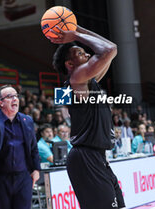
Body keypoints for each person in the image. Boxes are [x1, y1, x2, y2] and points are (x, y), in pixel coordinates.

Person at [51, 25, 125, 208]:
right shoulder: (77, 79)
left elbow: (112, 47)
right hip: (85, 157)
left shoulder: (87, 81)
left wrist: (76, 28)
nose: (87, 55)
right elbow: (109, 50)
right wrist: (75, 34)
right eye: (81, 53)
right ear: (70, 64)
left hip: (96, 156)